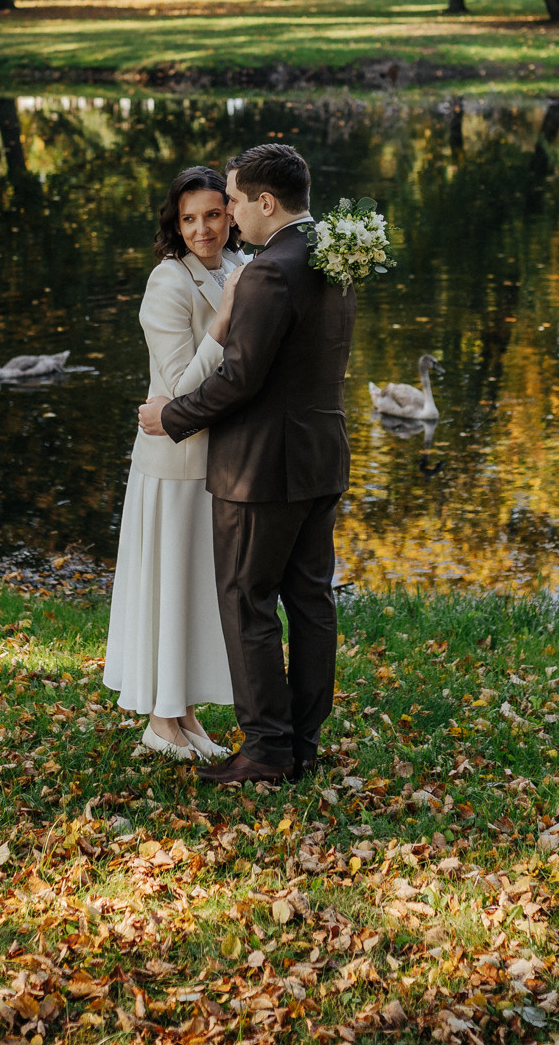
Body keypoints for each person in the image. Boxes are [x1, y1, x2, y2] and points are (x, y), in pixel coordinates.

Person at [137, 143, 354, 787]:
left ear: (265, 202)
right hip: (320, 458)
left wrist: (169, 418)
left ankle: (266, 750)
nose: (226, 212)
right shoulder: (332, 255)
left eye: (232, 199)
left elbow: (240, 379)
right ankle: (303, 743)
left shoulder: (266, 272)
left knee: (247, 600)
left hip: (261, 469)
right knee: (311, 602)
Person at [103, 167, 243, 762]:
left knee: (196, 592)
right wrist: (222, 323)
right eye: (189, 219)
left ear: (231, 215)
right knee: (171, 587)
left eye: (212, 214)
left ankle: (185, 716)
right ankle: (159, 722)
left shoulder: (237, 269)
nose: (201, 229)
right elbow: (182, 388)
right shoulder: (168, 282)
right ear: (175, 224)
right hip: (175, 464)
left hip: (220, 462)